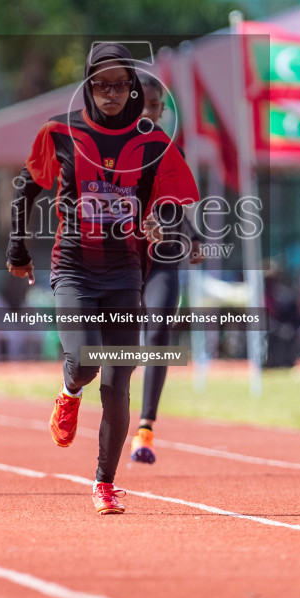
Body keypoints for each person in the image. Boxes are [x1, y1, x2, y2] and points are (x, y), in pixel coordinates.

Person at [7, 42, 198, 514]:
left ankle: (104, 483)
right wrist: (17, 249)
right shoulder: (61, 133)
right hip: (74, 268)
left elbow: (168, 203)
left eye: (120, 84)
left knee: (116, 385)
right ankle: (69, 391)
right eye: (101, 83)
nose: (111, 93)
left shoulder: (153, 143)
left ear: (133, 88)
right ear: (88, 86)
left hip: (124, 275)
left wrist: (160, 222)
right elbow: (25, 190)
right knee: (87, 363)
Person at [127, 77, 203, 465]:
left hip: (162, 258)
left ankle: (145, 429)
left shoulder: (173, 150)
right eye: (142, 105)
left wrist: (194, 236)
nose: (149, 113)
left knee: (157, 331)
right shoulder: (109, 152)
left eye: (155, 106)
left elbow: (179, 203)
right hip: (119, 260)